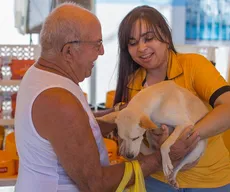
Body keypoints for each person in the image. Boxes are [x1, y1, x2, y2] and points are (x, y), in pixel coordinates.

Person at [14, 3, 199, 192]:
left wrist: (124, 113)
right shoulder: (58, 100)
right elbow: (95, 184)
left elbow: (79, 129)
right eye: (96, 44)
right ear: (69, 51)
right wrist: (163, 157)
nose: (102, 52)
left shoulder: (41, 75)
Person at [113, 5, 230, 192]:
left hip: (210, 180)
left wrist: (185, 140)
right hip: (157, 179)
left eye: (149, 38)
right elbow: (134, 142)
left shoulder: (194, 65)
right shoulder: (132, 84)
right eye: (133, 42)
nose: (142, 48)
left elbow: (227, 108)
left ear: (166, 37)